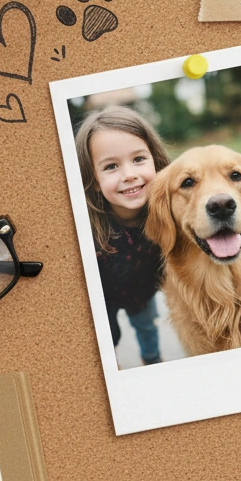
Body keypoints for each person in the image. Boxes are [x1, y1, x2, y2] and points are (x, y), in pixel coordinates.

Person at [74, 105, 171, 366]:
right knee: (106, 338)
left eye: (139, 159)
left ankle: (153, 361)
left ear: (156, 160)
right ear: (93, 179)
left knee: (148, 327)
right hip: (103, 297)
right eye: (111, 166)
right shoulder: (86, 226)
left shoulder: (169, 212)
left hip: (143, 291)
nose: (129, 175)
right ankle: (110, 373)